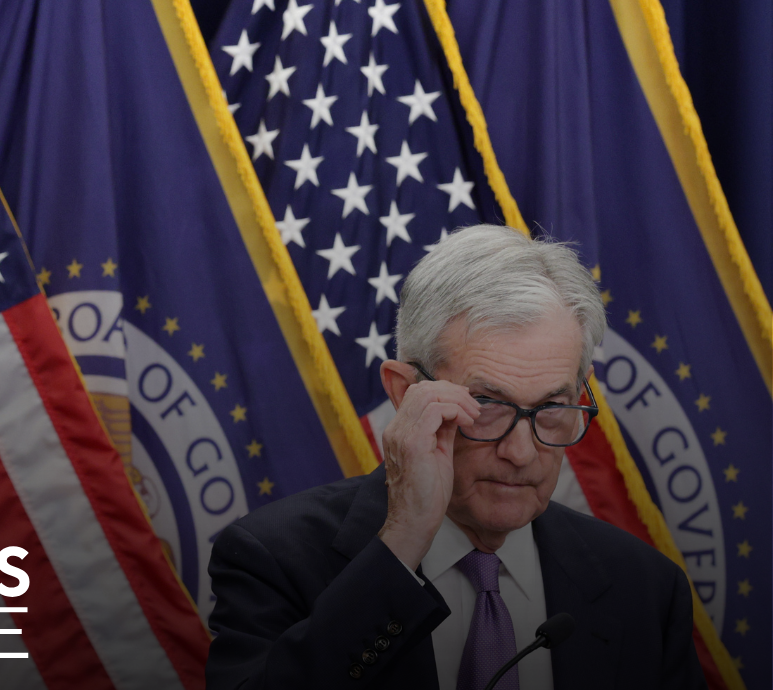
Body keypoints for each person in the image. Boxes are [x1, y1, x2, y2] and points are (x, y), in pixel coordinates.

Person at [206, 225, 705, 689]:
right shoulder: (271, 558)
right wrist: (401, 543)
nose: (520, 452)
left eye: (552, 407)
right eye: (485, 405)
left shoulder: (646, 589)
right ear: (404, 393)